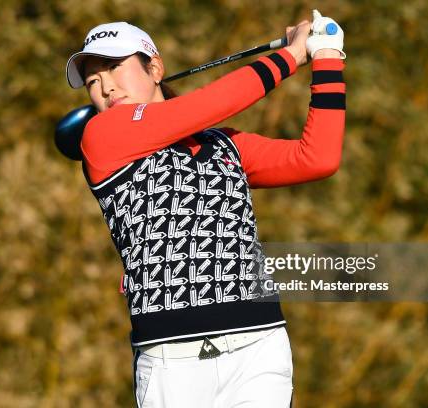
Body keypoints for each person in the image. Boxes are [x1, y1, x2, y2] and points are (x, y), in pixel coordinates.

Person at [65, 10, 345, 408]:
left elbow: (317, 157)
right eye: (93, 81)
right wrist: (294, 55)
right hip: (171, 362)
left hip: (259, 346)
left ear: (155, 68)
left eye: (114, 68)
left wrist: (328, 55)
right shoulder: (102, 135)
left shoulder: (224, 144)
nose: (105, 87)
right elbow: (210, 104)